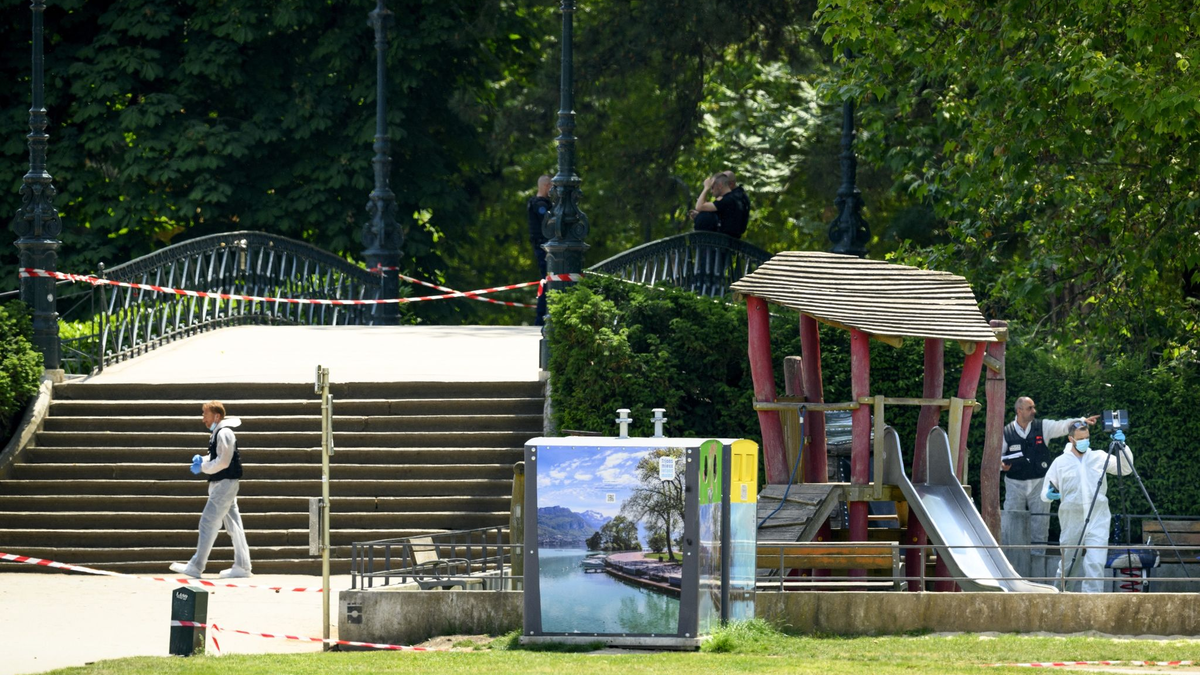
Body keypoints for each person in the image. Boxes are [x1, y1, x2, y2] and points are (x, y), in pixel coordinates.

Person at [1041, 421, 1134, 592]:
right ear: (1071, 439)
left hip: (1098, 519)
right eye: (1081, 438)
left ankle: (1092, 603)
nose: (1085, 441)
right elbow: (1044, 493)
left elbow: (1126, 469)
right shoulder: (1060, 462)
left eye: (1087, 438)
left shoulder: (1099, 457)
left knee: (1096, 563)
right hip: (1071, 521)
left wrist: (1123, 447)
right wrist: (1048, 495)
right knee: (1068, 565)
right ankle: (1059, 599)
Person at [1000, 397, 1097, 556]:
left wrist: (1080, 420)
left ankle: (1038, 562)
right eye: (1030, 408)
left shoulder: (1042, 426)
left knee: (1040, 524)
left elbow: (1061, 425)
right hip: (1014, 484)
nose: (1034, 411)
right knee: (1011, 522)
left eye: (1034, 407)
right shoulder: (1006, 431)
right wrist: (1001, 465)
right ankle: (1011, 560)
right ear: (1019, 411)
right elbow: (997, 456)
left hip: (1039, 483)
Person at [170, 401, 252, 579]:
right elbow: (218, 456)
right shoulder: (220, 433)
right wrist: (203, 459)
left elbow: (223, 461)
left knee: (207, 522)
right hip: (225, 483)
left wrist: (203, 467)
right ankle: (243, 565)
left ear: (217, 416)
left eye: (204, 414)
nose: (203, 419)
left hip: (224, 483)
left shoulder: (224, 432)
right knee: (234, 526)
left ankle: (196, 566)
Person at [688, 172, 748, 239]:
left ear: (720, 185)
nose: (711, 191)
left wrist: (706, 188)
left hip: (723, 242)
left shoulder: (727, 200)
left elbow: (699, 207)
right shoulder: (733, 199)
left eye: (712, 187)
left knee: (703, 217)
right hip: (730, 241)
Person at [527, 175, 553, 326]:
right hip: (544, 248)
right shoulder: (540, 205)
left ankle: (543, 315)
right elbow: (549, 221)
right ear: (546, 186)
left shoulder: (534, 203)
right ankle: (541, 317)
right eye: (551, 186)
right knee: (547, 280)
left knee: (548, 280)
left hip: (543, 247)